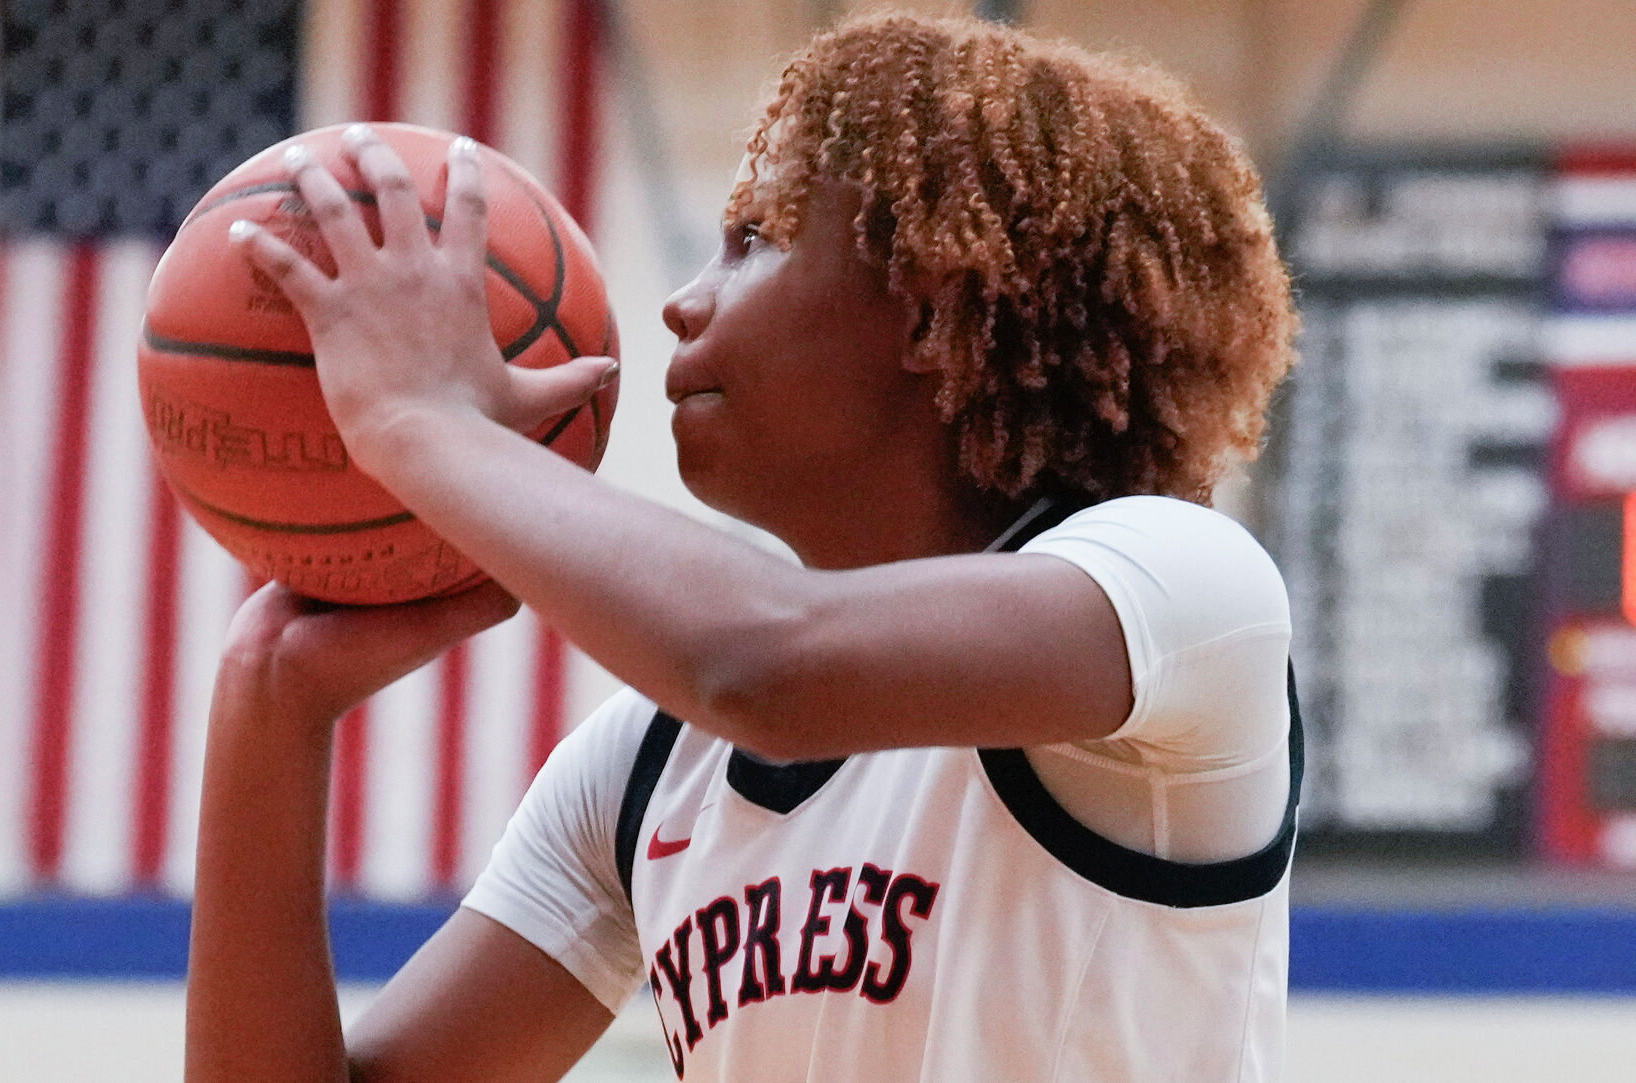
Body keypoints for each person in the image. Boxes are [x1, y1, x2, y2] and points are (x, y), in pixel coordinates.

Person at [190, 11, 1299, 1082]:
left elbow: (765, 664)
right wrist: (268, 696)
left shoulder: (1181, 592)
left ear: (924, 309)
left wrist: (418, 424)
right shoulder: (644, 766)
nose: (680, 304)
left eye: (752, 243)